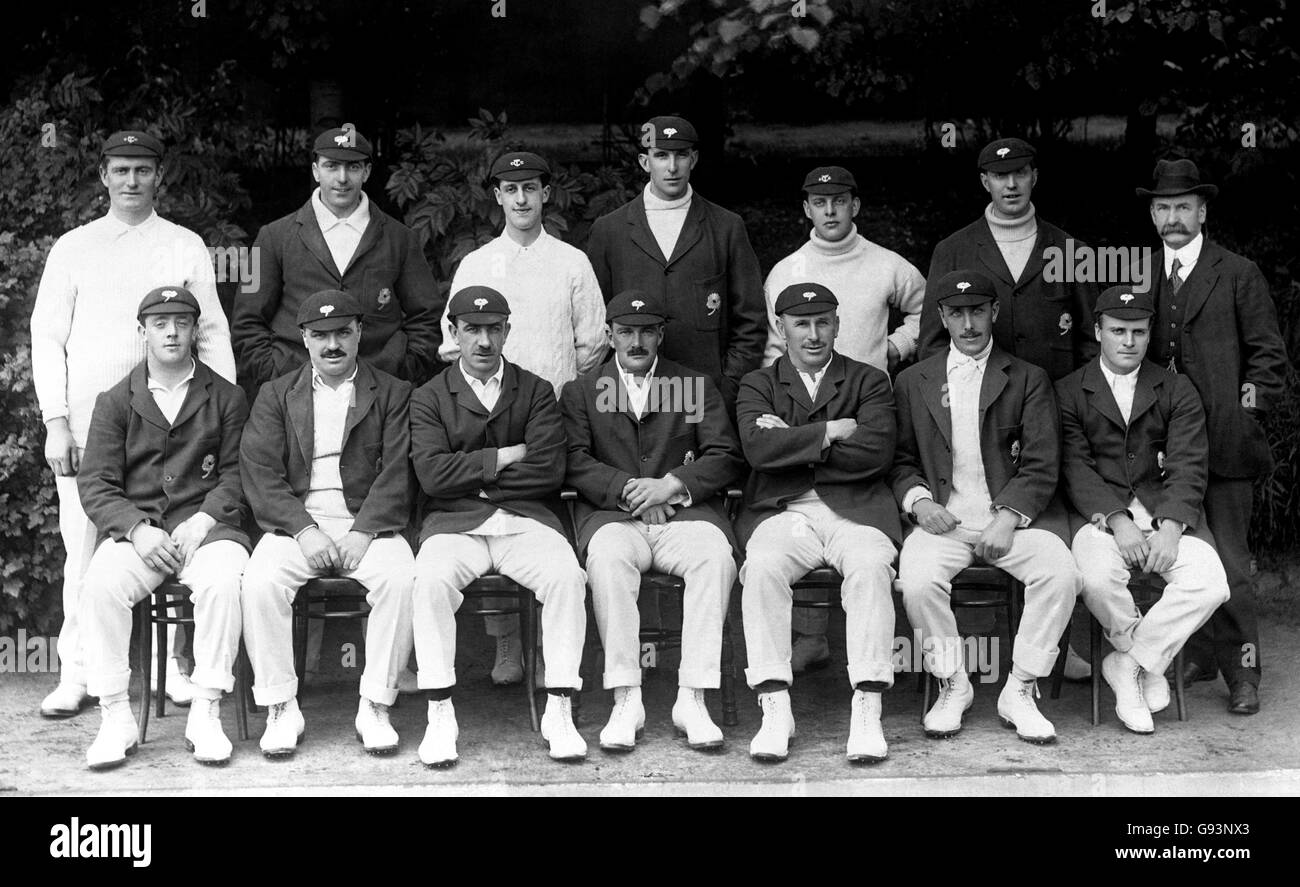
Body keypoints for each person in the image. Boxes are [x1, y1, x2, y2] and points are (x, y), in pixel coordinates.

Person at [31, 130, 236, 718]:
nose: (131, 181)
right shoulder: (73, 246)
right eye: (120, 169)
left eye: (142, 170)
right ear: (102, 175)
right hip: (93, 425)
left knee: (176, 539)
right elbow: (46, 337)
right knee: (85, 549)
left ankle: (171, 668)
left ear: (159, 177)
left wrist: (221, 415)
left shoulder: (184, 245)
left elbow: (214, 331)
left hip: (175, 420)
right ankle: (79, 671)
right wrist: (55, 421)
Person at [920, 137, 1100, 680]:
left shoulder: (1069, 248)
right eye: (1001, 177)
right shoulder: (955, 249)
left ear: (1035, 177)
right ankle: (978, 655)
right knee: (983, 524)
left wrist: (1080, 405)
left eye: (1021, 173)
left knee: (1057, 529)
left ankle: (1061, 645)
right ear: (985, 183)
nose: (1012, 185)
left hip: (1055, 415)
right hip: (978, 415)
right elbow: (934, 342)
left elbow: (1094, 339)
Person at [437, 150, 607, 685]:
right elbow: (452, 343)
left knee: (539, 529)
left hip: (550, 415)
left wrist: (552, 397)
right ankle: (507, 641)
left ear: (545, 194)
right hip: (486, 413)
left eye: (531, 188)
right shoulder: (477, 264)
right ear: (497, 197)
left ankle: (547, 646)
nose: (522, 200)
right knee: (488, 517)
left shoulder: (572, 262)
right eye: (511, 191)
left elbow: (592, 344)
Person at [892, 270, 1080, 744]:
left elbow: (1042, 462)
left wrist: (1009, 516)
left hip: (1010, 521)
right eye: (957, 314)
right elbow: (899, 460)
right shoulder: (914, 380)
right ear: (941, 317)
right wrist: (920, 504)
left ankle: (1020, 687)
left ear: (994, 312)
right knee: (915, 580)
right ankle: (953, 682)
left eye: (977, 311)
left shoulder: (1028, 377)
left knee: (1061, 571)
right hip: (944, 520)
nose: (969, 324)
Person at [409, 286, 588, 766]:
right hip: (456, 524)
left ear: (507, 330)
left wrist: (473, 478)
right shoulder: (429, 396)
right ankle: (440, 711)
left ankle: (560, 707)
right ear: (454, 333)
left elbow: (550, 468)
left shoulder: (534, 390)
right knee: (427, 580)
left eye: (493, 329)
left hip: (525, 520)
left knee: (567, 576)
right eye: (472, 330)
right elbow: (430, 474)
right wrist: (505, 458)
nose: (484, 342)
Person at [560, 290, 744, 753]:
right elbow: (573, 460)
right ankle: (627, 697)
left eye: (646, 331)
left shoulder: (692, 385)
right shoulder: (583, 390)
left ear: (660, 334)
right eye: (626, 332)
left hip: (683, 515)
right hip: (616, 518)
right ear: (609, 335)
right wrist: (630, 489)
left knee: (714, 557)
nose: (636, 341)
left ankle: (693, 696)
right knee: (606, 559)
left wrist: (672, 484)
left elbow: (725, 456)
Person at [1138, 159, 1289, 715]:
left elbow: (1269, 360)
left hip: (1226, 447)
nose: (1173, 217)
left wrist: (1242, 413)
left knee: (1229, 562)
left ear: (1202, 212)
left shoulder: (1238, 272)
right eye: (1163, 207)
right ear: (1152, 215)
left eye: (1183, 207)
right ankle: (1200, 653)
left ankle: (1243, 672)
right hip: (1162, 450)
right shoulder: (1142, 274)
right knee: (1183, 557)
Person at [76, 287, 249, 769]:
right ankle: (115, 716)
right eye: (159, 322)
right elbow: (96, 483)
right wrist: (135, 529)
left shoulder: (228, 397)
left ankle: (206, 709)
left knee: (224, 581)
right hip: (143, 532)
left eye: (181, 322)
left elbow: (240, 474)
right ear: (143, 332)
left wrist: (204, 520)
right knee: (100, 585)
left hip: (208, 529)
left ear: (196, 330)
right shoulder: (115, 401)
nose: (171, 331)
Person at [763, 164, 926, 673]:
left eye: (840, 201)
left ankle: (876, 658)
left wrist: (895, 348)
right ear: (806, 209)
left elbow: (929, 310)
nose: (830, 211)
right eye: (819, 202)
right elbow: (774, 351)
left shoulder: (886, 264)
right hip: (804, 403)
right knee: (806, 501)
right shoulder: (786, 271)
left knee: (855, 510)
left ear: (855, 205)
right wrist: (786, 423)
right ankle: (812, 637)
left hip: (866, 399)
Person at [239, 290, 415, 758]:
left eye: (342, 333)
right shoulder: (276, 394)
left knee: (402, 579)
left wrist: (364, 530)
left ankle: (376, 703)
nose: (332, 345)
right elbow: (259, 471)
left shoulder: (393, 392)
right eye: (320, 336)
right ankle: (280, 705)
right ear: (304, 339)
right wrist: (303, 528)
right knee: (258, 583)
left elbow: (399, 470)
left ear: (360, 333)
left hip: (367, 521)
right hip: (298, 523)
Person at [735, 283, 900, 764]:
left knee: (871, 567)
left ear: (837, 325)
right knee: (762, 566)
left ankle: (867, 706)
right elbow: (757, 451)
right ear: (781, 328)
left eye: (823, 322)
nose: (813, 334)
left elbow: (875, 453)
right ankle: (774, 704)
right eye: (801, 324)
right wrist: (830, 431)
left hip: (857, 508)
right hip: (785, 510)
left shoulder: (868, 381)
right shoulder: (758, 384)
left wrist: (791, 441)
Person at [1056, 285, 1230, 732]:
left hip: (1165, 514)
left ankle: (1129, 663)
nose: (1128, 341)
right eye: (1117, 331)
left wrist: (1171, 527)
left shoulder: (1175, 387)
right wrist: (1117, 520)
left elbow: (1190, 461)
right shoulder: (1070, 390)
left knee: (1210, 583)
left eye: (1137, 331)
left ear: (1150, 332)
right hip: (1101, 520)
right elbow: (1075, 466)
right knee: (1094, 578)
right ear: (1098, 331)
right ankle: (1143, 664)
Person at [232, 126, 441, 391]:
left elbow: (428, 315)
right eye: (331, 166)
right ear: (315, 171)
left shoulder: (401, 239)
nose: (342, 178)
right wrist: (274, 374)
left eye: (352, 167)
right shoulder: (271, 237)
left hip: (380, 392)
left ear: (366, 172)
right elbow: (245, 319)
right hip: (294, 388)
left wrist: (401, 372)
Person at [585, 115, 765, 409]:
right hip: (629, 396)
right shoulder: (609, 231)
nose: (672, 167)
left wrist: (727, 383)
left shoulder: (726, 227)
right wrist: (613, 387)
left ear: (693, 159)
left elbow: (750, 319)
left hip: (706, 395)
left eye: (681, 155)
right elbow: (594, 320)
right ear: (645, 162)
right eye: (661, 156)